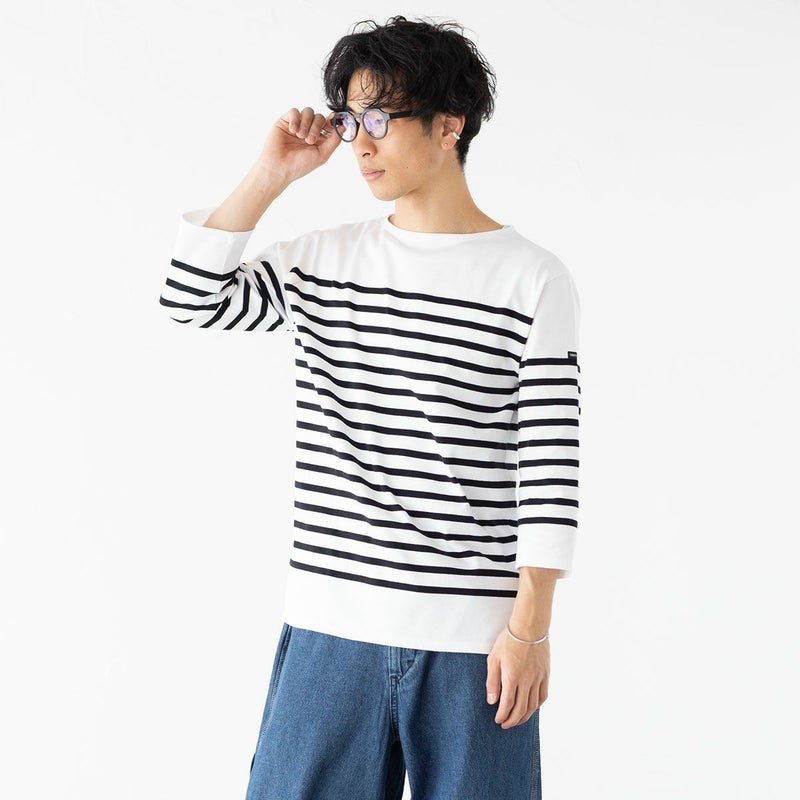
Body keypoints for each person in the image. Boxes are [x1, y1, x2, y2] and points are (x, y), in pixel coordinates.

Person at [158, 14, 581, 800]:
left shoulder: (531, 279)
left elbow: (550, 464)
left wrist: (531, 628)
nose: (359, 143)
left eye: (380, 119)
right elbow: (191, 297)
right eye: (351, 120)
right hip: (331, 630)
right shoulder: (325, 262)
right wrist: (271, 174)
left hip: (475, 644)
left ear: (449, 124)